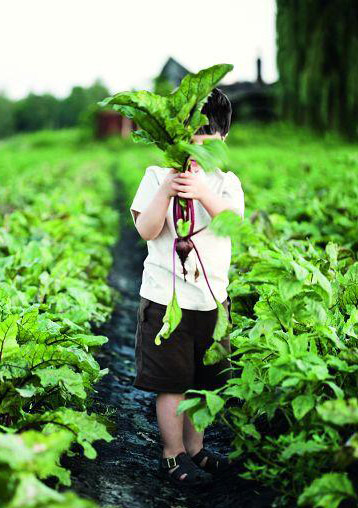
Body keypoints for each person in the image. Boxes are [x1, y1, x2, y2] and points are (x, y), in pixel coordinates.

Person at [129, 88, 245, 487]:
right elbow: (146, 229)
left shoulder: (227, 184)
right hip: (165, 299)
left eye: (208, 146)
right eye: (190, 144)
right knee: (171, 383)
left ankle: (196, 449)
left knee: (205, 383)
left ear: (224, 141)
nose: (197, 155)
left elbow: (231, 225)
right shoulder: (157, 176)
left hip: (213, 301)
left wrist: (203, 194)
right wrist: (168, 188)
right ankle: (172, 453)